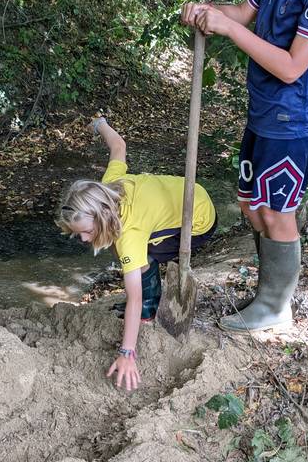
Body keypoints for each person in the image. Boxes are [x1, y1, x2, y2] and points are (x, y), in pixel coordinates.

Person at [181, 0, 308, 333]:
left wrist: (228, 29)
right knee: (251, 205)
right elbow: (244, 13)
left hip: (294, 123)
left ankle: (275, 308)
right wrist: (209, 12)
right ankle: (266, 295)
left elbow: (291, 67)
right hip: (265, 116)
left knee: (275, 212)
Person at [57, 118, 217, 391]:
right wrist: (100, 125)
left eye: (86, 231)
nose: (83, 239)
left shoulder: (129, 236)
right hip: (190, 193)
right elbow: (118, 146)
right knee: (135, 254)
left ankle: (149, 312)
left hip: (198, 220)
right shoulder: (110, 185)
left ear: (104, 215)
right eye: (77, 234)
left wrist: (127, 352)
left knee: (142, 259)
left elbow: (133, 296)